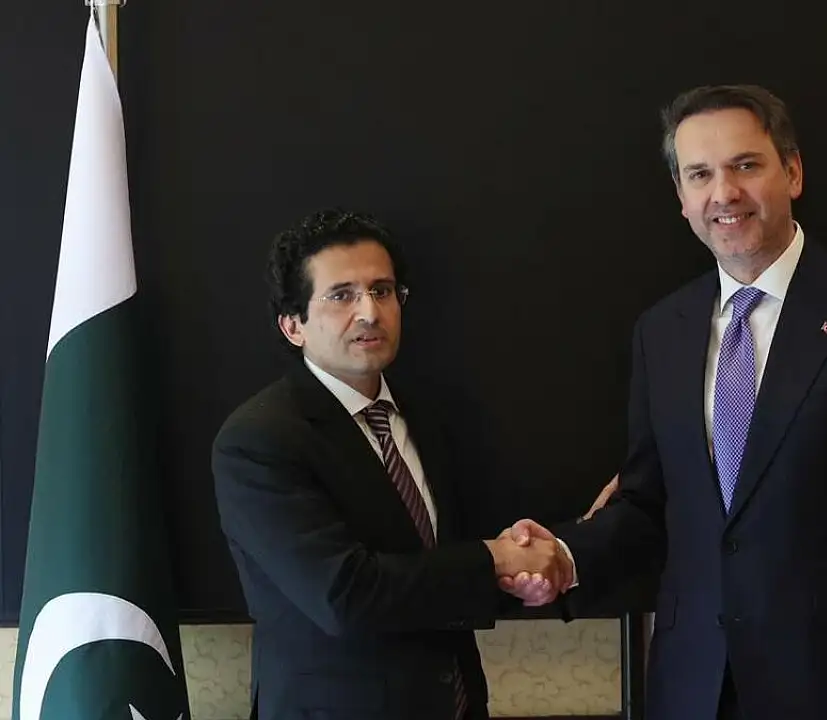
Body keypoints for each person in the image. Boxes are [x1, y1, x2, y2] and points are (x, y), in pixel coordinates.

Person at [505, 85, 827, 719]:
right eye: (700, 174)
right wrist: (565, 554)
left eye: (745, 165)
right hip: (692, 688)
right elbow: (650, 503)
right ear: (681, 197)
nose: (724, 193)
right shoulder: (661, 331)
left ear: (792, 172)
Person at [211, 209, 571, 720]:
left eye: (382, 291)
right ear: (293, 325)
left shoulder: (428, 416)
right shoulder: (258, 440)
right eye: (342, 296)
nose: (369, 312)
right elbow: (344, 595)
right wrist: (494, 561)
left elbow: (440, 565)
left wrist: (518, 574)